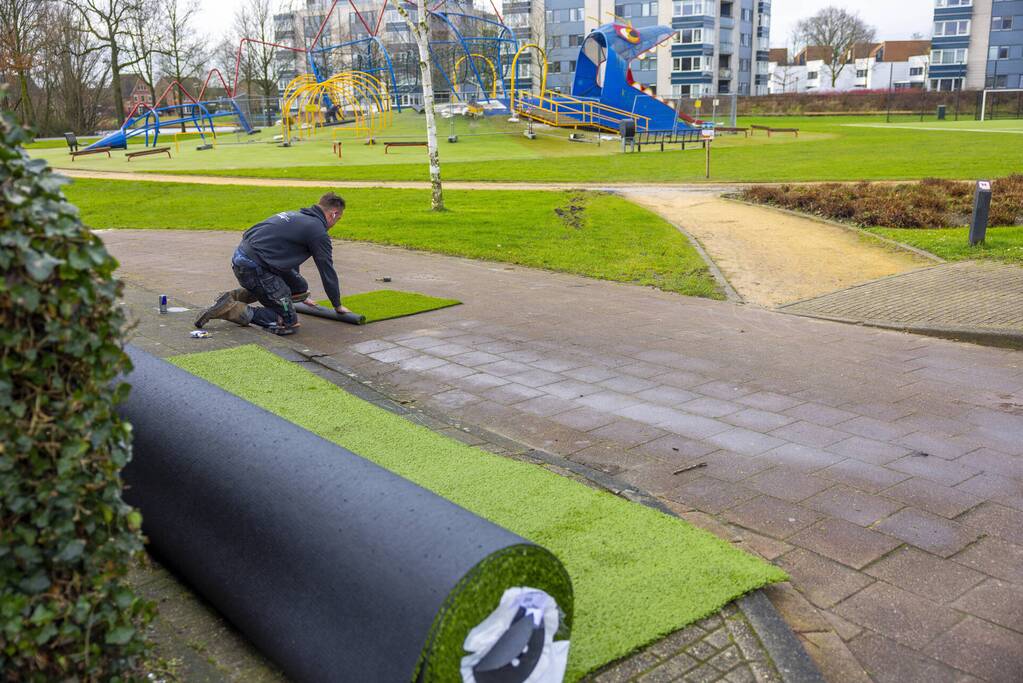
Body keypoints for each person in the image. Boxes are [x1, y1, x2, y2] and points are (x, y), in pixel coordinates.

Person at [194, 192, 351, 336]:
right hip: (255, 268)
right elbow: (327, 270)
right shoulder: (318, 232)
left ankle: (232, 297)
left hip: (244, 259)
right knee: (288, 323)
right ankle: (230, 308)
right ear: (333, 214)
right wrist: (337, 305)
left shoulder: (296, 216)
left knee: (300, 288)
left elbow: (289, 258)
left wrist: (300, 295)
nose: (336, 222)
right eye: (338, 219)